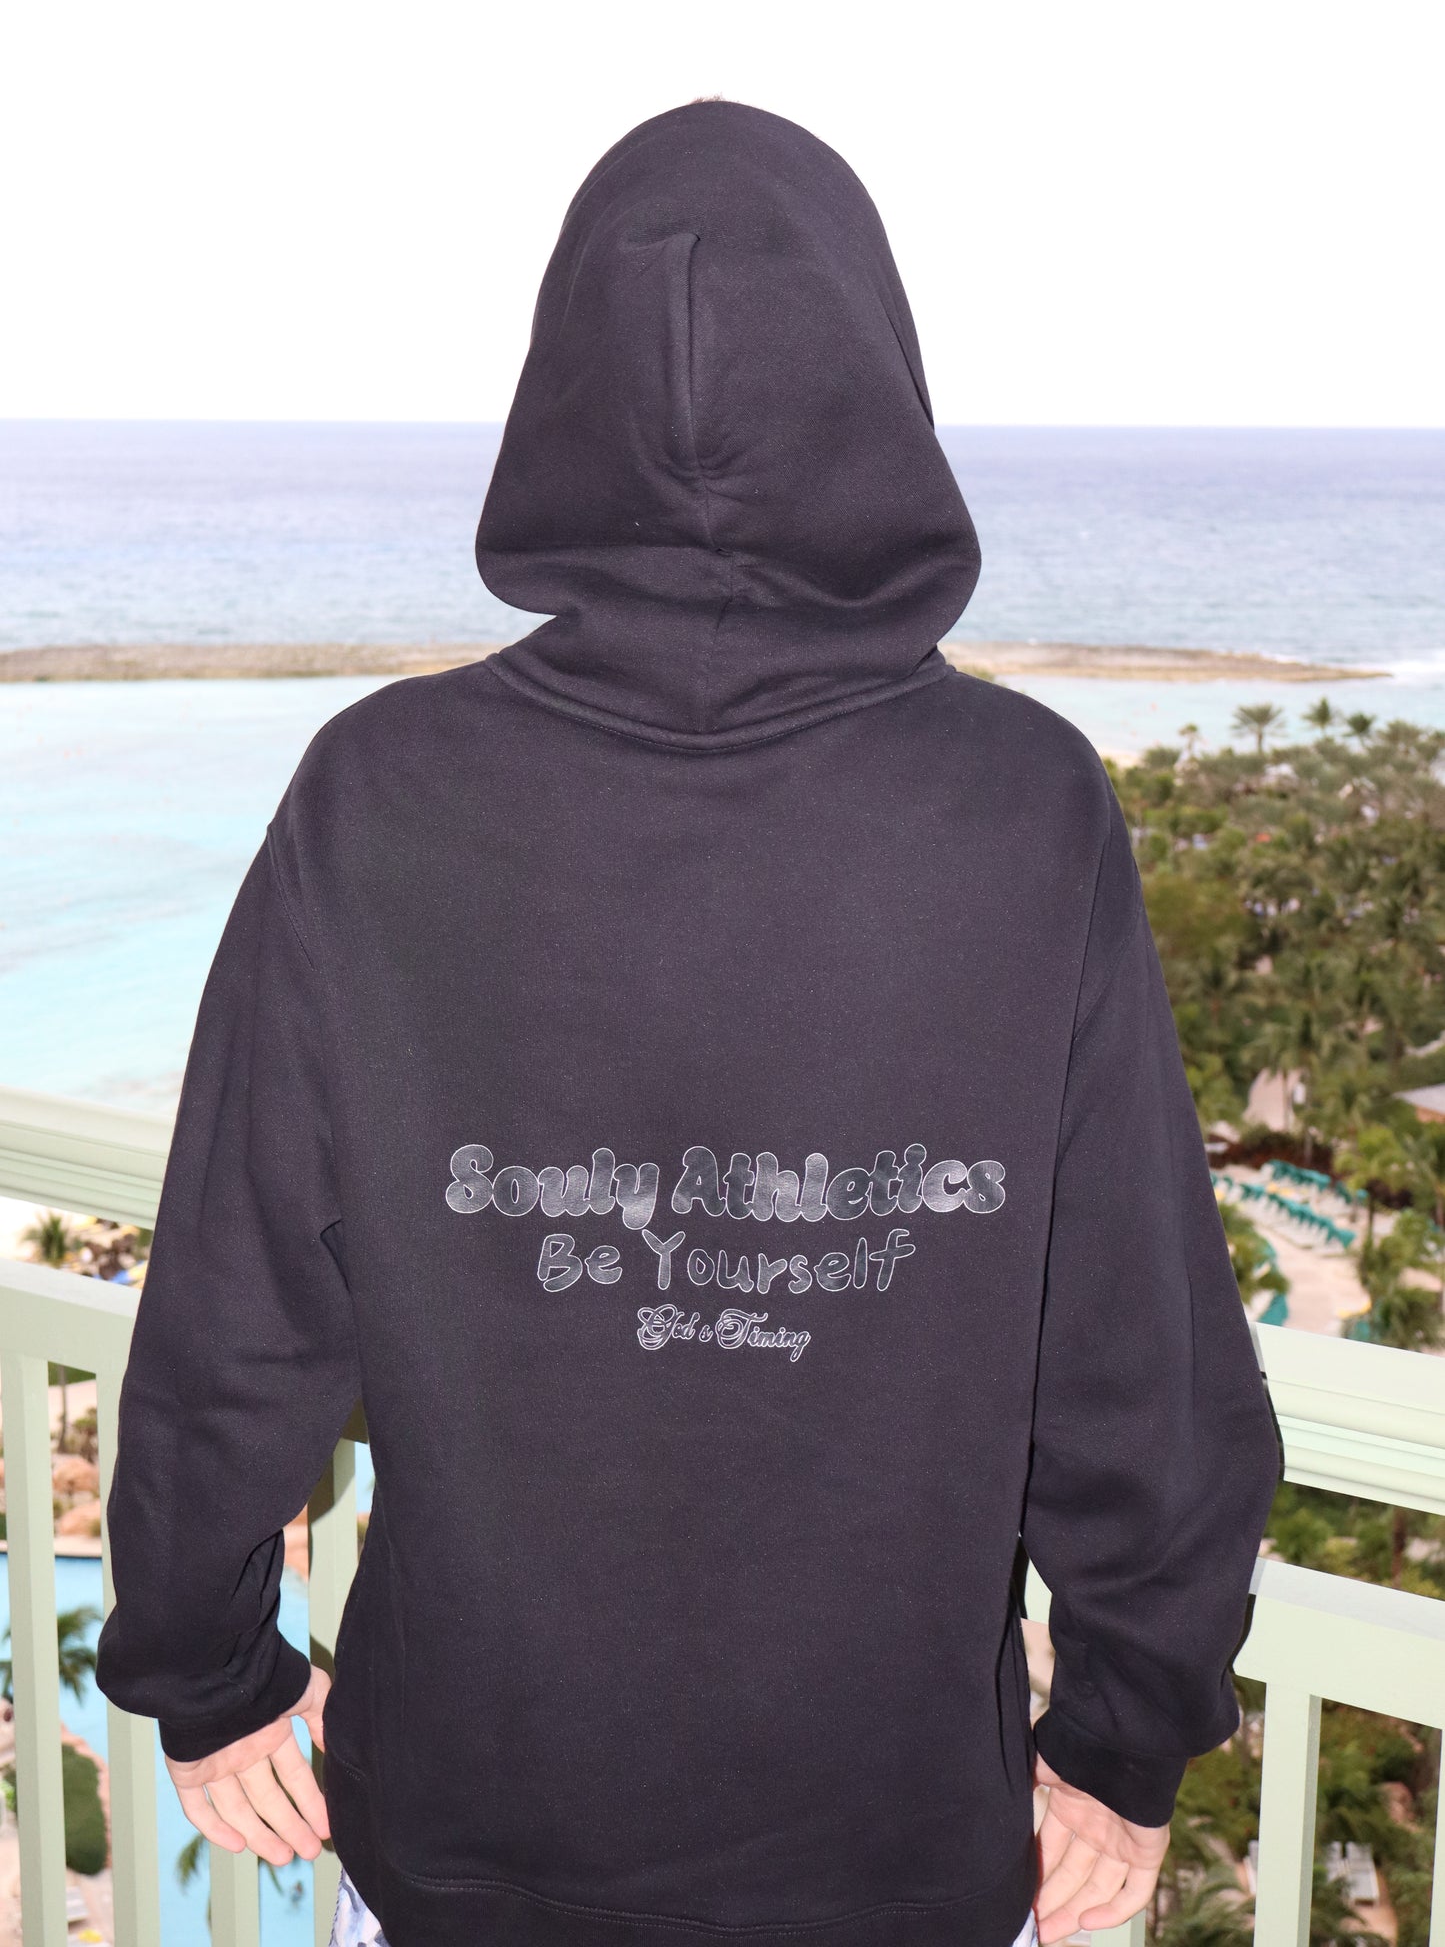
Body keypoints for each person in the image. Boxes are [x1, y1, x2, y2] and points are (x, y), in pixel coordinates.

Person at [96, 100, 1283, 1947]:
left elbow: (235, 1298)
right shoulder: (1022, 808)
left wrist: (202, 1661)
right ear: (879, 384)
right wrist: (1127, 1729)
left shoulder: (380, 795)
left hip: (470, 1819)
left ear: (554, 393)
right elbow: (1135, 1336)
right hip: (890, 1836)